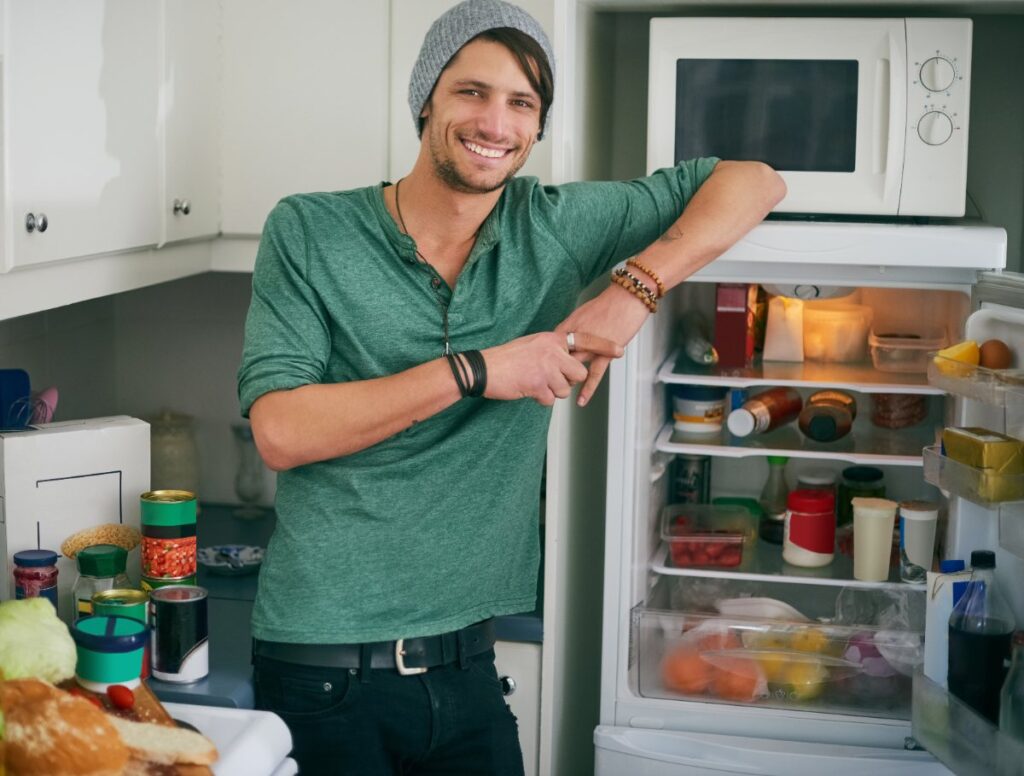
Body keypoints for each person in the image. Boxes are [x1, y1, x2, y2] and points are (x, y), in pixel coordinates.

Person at [237, 1, 785, 773]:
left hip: (467, 669)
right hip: (322, 669)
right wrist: (480, 369)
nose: (495, 121)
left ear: (537, 126)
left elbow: (754, 179)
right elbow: (281, 432)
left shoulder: (553, 224)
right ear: (427, 99)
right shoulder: (310, 230)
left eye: (522, 103)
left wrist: (633, 291)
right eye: (472, 92)